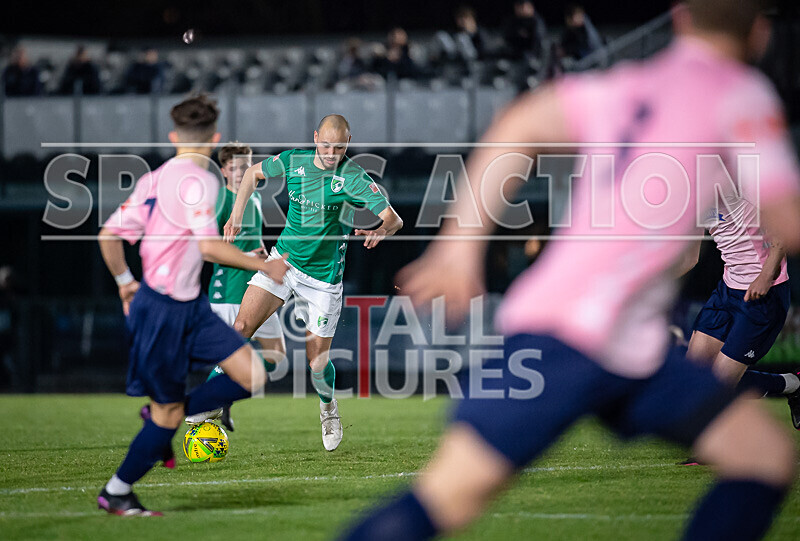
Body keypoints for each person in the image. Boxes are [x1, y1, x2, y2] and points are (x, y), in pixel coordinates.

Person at [340, 1, 800, 539]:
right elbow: (786, 219)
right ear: (761, 34)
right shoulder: (739, 94)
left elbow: (519, 121)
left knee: (761, 454)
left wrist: (457, 249)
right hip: (574, 335)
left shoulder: (626, 85)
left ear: (680, 20)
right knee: (450, 496)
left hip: (626, 344)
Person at [96, 94, 288, 516]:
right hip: (164, 310)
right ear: (214, 138)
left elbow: (108, 236)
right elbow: (209, 247)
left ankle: (168, 415)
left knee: (252, 373)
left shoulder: (152, 178)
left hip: (187, 305)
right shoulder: (201, 182)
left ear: (173, 136)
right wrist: (264, 264)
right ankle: (117, 490)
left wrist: (125, 283)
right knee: (167, 417)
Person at [222, 114, 403, 451]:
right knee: (241, 326)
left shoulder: (353, 177)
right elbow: (251, 174)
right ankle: (210, 401)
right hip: (284, 262)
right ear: (315, 136)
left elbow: (394, 218)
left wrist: (380, 229)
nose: (331, 152)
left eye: (339, 146)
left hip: (322, 280)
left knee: (317, 364)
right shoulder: (294, 160)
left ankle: (328, 408)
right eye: (325, 144)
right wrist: (235, 215)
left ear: (348, 144)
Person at [184, 141, 287, 432]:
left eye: (247, 166)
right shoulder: (222, 200)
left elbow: (252, 244)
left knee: (275, 354)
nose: (243, 172)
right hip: (228, 289)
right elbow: (207, 247)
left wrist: (266, 258)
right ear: (223, 171)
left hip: (256, 288)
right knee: (234, 355)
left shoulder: (251, 200)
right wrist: (247, 258)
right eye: (236, 167)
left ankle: (222, 399)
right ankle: (202, 407)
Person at [676, 194, 800, 432]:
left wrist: (765, 276)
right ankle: (793, 384)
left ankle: (717, 443)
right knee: (695, 376)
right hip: (727, 290)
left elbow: (782, 230)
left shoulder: (737, 184)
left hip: (764, 295)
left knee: (721, 385)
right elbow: (689, 259)